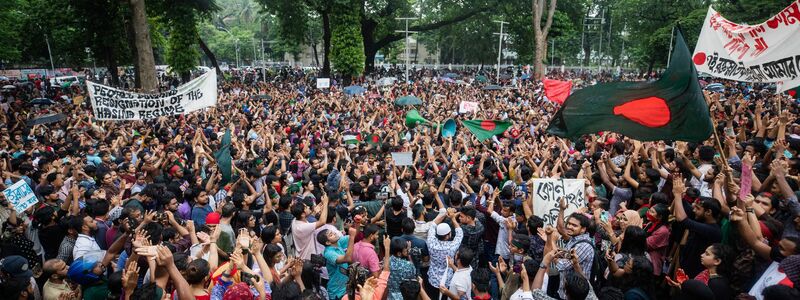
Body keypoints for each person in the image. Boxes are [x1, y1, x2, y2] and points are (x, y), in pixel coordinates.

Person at [555, 198, 595, 300]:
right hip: (565, 291)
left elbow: (562, 265)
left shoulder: (583, 246)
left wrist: (550, 242)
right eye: (569, 223)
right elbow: (560, 229)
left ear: (583, 229)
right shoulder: (574, 238)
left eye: (574, 225)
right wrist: (562, 209)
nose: (569, 227)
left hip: (575, 295)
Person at [425, 208, 463, 299]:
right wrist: (453, 218)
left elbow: (433, 224)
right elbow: (459, 233)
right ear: (448, 235)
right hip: (447, 281)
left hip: (433, 279)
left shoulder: (430, 242)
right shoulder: (452, 246)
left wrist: (445, 213)